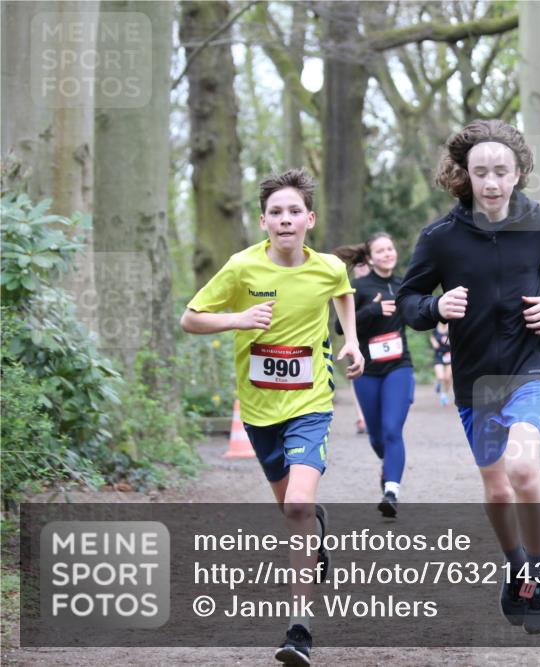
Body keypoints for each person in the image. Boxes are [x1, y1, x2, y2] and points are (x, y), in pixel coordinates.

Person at [397, 119, 540, 634]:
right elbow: (408, 302)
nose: (493, 182)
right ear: (467, 176)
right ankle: (515, 564)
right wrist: (437, 305)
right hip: (475, 378)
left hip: (528, 368)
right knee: (498, 491)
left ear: (518, 172)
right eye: (482, 173)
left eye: (502, 171)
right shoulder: (440, 238)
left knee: (523, 469)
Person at [180, 168, 363, 666]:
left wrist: (351, 338)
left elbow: (342, 290)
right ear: (263, 222)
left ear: (310, 219)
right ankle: (314, 529)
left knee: (298, 506)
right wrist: (237, 319)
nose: (285, 220)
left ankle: (299, 627)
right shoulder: (242, 268)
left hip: (310, 403)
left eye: (293, 212)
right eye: (275, 213)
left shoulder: (326, 267)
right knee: (293, 510)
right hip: (260, 413)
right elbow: (190, 318)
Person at [334, 233, 415, 518]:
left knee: (393, 429)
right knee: (377, 438)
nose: (387, 254)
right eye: (380, 251)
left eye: (390, 249)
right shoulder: (358, 287)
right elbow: (340, 328)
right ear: (369, 258)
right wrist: (372, 309)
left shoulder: (405, 284)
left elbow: (418, 314)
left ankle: (391, 491)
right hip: (367, 370)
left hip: (399, 367)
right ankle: (389, 466)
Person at [349, 262, 371, 434]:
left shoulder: (375, 285)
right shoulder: (350, 288)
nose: (362, 268)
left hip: (377, 343)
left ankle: (372, 415)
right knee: (357, 378)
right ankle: (360, 417)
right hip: (357, 342)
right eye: (358, 265)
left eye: (365, 265)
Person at [430, 321, 452, 405]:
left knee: (447, 377)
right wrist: (434, 342)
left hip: (449, 355)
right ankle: (438, 383)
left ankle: (444, 394)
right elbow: (432, 336)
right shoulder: (435, 327)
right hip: (438, 355)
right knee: (440, 376)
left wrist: (448, 341)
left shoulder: (451, 326)